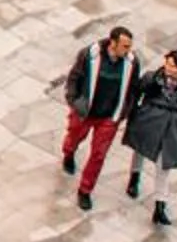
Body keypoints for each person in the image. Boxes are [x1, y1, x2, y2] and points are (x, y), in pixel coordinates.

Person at [60, 25, 144, 212]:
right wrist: (74, 101)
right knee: (74, 137)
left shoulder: (132, 62)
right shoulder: (89, 54)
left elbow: (133, 89)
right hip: (85, 112)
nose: (128, 50)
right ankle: (69, 153)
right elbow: (74, 78)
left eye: (129, 46)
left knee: (99, 155)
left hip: (109, 118)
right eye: (125, 46)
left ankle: (85, 190)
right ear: (113, 43)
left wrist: (124, 112)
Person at [124, 49, 177, 229]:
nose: (168, 68)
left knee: (164, 166)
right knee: (140, 150)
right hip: (150, 120)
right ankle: (135, 177)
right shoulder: (152, 77)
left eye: (173, 66)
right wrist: (137, 113)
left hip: (172, 128)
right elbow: (137, 93)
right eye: (167, 63)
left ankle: (160, 206)